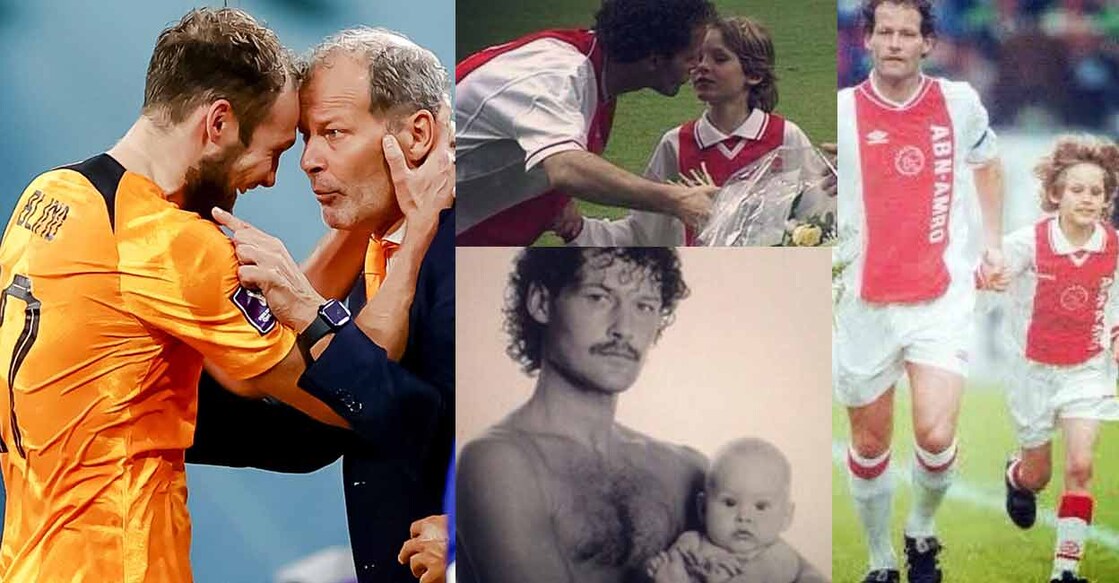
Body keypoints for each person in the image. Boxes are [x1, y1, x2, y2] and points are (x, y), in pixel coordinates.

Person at [0, 8, 348, 582]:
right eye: (275, 151)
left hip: (31, 560)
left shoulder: (48, 197)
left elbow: (257, 403)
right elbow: (340, 396)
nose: (270, 177)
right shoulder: (165, 242)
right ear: (218, 123)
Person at [186, 27, 456, 583]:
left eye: (333, 132)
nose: (308, 160)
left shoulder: (468, 252)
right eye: (307, 137)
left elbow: (524, 425)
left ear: (418, 135)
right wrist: (149, 412)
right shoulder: (376, 252)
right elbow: (318, 429)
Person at [832, 1, 1006, 582]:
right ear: (867, 39)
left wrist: (992, 244)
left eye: (908, 33)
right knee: (870, 442)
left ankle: (922, 533)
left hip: (939, 298)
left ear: (927, 43)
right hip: (862, 304)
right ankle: (880, 560)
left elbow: (988, 163)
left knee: (935, 433)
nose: (895, 43)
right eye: (885, 32)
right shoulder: (841, 113)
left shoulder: (959, 103)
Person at [456, 247, 706, 583]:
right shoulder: (498, 463)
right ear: (542, 303)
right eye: (599, 297)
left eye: (644, 306)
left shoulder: (686, 470)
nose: (624, 329)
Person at [454, 0, 720, 245]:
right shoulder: (557, 77)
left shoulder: (593, 74)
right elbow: (566, 169)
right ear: (654, 59)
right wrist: (677, 199)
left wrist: (552, 201)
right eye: (691, 56)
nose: (697, 66)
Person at [984, 136, 1119, 583]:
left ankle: (1065, 571)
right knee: (1038, 475)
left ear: (1107, 199)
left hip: (1088, 370)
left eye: (1097, 191)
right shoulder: (1029, 243)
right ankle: (1017, 477)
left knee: (1080, 466)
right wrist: (988, 277)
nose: (1087, 198)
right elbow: (986, 273)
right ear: (1056, 194)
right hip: (1034, 373)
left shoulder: (1114, 246)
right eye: (1077, 189)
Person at [561, 16, 818, 246]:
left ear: (754, 74)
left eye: (719, 59)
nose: (702, 66)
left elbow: (816, 220)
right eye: (698, 57)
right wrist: (580, 229)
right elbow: (643, 234)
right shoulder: (675, 144)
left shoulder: (786, 137)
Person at [646, 438, 828, 583]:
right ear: (703, 508)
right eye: (730, 503)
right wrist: (663, 568)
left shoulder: (778, 556)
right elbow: (669, 565)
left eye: (761, 506)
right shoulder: (691, 541)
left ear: (786, 517)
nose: (744, 516)